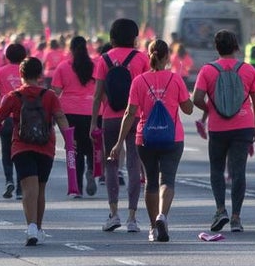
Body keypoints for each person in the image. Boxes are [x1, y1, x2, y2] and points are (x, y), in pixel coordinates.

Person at [109, 39, 192, 242]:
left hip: (145, 138)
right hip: (172, 138)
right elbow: (188, 109)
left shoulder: (139, 81)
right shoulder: (175, 79)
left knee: (151, 182)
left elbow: (130, 113)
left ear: (149, 56)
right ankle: (162, 215)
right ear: (166, 57)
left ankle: (154, 228)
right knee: (168, 180)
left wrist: (119, 143)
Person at [0, 56, 69, 246]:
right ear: (40, 74)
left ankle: (31, 227)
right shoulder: (50, 96)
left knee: (27, 189)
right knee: (40, 189)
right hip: (46, 146)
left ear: (21, 74)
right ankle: (38, 228)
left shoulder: (13, 96)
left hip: (21, 146)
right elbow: (61, 118)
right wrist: (69, 143)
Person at [191, 30, 255, 233]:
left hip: (218, 127)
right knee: (238, 171)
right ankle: (236, 218)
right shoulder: (248, 70)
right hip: (243, 126)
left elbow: (196, 99)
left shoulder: (208, 70)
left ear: (217, 48)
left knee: (217, 169)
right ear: (236, 47)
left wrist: (210, 109)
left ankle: (220, 209)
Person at [91, 18, 149, 234]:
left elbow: (97, 96)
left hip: (110, 117)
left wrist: (93, 123)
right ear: (134, 37)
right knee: (134, 164)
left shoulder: (103, 59)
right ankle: (132, 218)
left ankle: (113, 214)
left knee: (111, 165)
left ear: (112, 37)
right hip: (135, 116)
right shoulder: (141, 58)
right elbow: (146, 90)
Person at [50, 35, 97, 197]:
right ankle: (91, 171)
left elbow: (55, 91)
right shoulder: (94, 65)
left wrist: (50, 112)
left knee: (74, 149)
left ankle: (77, 187)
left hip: (69, 112)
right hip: (91, 110)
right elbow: (101, 89)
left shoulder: (63, 67)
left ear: (70, 49)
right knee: (91, 146)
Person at [0, 41, 27, 200]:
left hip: (5, 118)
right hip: (24, 118)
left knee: (6, 152)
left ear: (8, 56)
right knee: (22, 153)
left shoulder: (1, 71)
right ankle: (19, 188)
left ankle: (8, 180)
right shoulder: (26, 70)